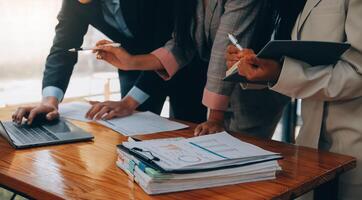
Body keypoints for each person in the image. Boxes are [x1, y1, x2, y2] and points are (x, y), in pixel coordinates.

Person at [90, 0, 289, 138]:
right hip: (218, 91)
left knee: (245, 179)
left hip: (252, 92)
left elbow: (224, 49)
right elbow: (182, 44)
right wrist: (131, 62)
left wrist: (214, 117)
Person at [226, 0, 362, 199]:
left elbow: (358, 74)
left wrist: (279, 73)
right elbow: (306, 62)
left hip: (353, 144)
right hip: (313, 146)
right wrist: (258, 67)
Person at [12, 0, 208, 125]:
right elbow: (63, 48)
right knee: (133, 130)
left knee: (187, 130)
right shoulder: (75, 3)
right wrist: (49, 101)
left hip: (183, 60)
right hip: (130, 64)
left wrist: (129, 102)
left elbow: (170, 42)